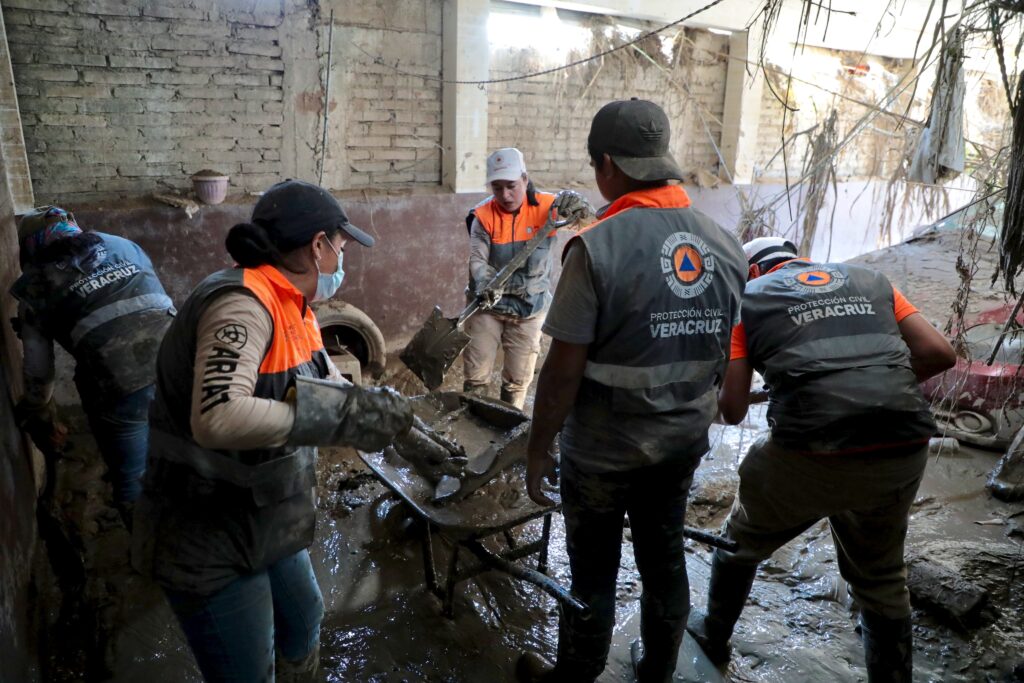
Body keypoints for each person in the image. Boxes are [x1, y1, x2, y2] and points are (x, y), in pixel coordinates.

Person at [131, 180, 414, 683]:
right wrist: (333, 419)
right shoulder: (241, 304)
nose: (342, 259)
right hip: (209, 528)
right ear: (318, 246)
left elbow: (330, 386)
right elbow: (217, 415)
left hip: (265, 514)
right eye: (342, 246)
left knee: (304, 619)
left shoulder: (294, 307)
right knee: (247, 668)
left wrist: (400, 426)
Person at [519, 99, 748, 683]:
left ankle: (576, 675)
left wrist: (539, 447)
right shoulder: (726, 245)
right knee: (664, 557)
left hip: (601, 453)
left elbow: (561, 373)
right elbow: (725, 354)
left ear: (607, 166)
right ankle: (657, 673)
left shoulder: (597, 246)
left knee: (593, 572)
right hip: (679, 446)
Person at [686, 236, 957, 682]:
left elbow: (732, 409)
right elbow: (940, 354)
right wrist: (876, 385)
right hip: (904, 442)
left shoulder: (746, 302)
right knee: (882, 576)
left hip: (811, 450)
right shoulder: (871, 280)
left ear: (751, 271)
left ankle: (713, 634)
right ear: (798, 259)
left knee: (739, 543)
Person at [10, 206, 174, 522]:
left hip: (120, 384)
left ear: (29, 249)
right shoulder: (122, 244)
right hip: (181, 362)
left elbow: (39, 371)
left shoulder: (35, 284)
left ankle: (146, 539)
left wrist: (35, 406)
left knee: (133, 480)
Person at [464, 147, 586, 409]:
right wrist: (484, 283)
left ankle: (509, 422)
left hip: (529, 309)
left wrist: (580, 206)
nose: (505, 195)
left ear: (525, 179)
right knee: (476, 377)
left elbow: (587, 223)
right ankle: (471, 418)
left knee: (517, 381)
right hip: (486, 307)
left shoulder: (550, 208)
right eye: (497, 188)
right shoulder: (482, 216)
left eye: (511, 186)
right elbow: (477, 259)